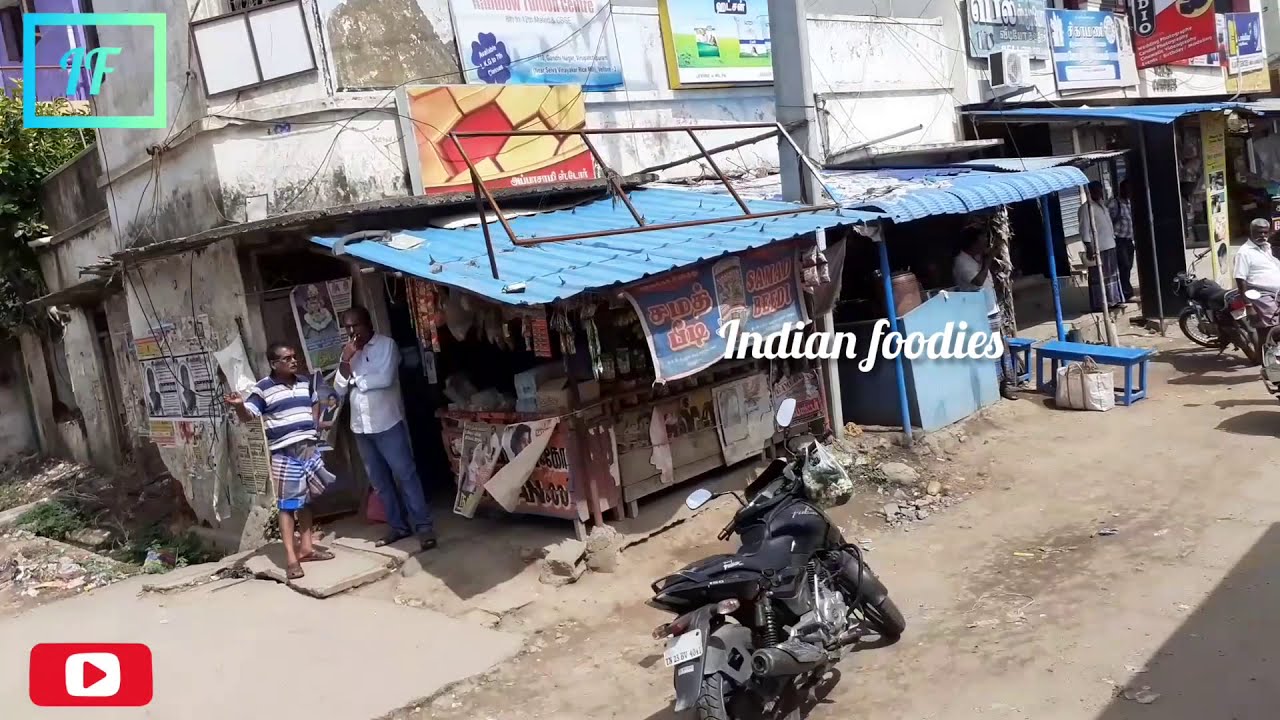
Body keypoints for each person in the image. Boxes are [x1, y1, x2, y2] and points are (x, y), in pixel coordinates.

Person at [225, 343, 335, 580]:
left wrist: (313, 425)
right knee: (287, 506)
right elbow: (249, 416)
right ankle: (291, 559)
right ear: (274, 364)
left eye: (294, 357)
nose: (294, 361)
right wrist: (238, 407)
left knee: (305, 500)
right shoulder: (263, 389)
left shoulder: (305, 382)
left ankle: (306, 547)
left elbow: (315, 401)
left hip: (308, 448)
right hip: (285, 453)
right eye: (287, 359)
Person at [334, 306, 437, 551]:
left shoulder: (386, 345)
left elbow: (385, 379)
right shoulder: (348, 353)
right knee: (380, 481)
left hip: (387, 422)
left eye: (355, 325)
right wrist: (346, 360)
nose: (351, 332)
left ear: (367, 323)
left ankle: (424, 527)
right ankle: (399, 527)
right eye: (347, 327)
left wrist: (356, 382)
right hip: (360, 427)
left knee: (406, 475)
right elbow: (338, 388)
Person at [953, 232, 1017, 401]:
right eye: (981, 242)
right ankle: (1000, 386)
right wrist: (988, 261)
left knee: (1002, 347)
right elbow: (978, 282)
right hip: (980, 312)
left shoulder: (976, 258)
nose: (984, 246)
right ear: (971, 245)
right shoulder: (962, 262)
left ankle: (1008, 383)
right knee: (994, 350)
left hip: (991, 308)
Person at [1079, 181, 1125, 312]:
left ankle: (1113, 300)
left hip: (1110, 244)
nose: (1099, 193)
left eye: (1100, 190)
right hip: (1098, 248)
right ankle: (1100, 304)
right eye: (1096, 190)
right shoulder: (1086, 208)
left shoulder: (1102, 206)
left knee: (1112, 275)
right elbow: (1084, 229)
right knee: (1099, 277)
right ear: (1090, 191)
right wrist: (1089, 247)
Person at [1234, 218, 1280, 328]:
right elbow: (1240, 279)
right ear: (1251, 232)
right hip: (1261, 295)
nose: (1263, 235)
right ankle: (1265, 344)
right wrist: (1248, 305)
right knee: (1272, 326)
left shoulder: (1267, 247)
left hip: (1276, 292)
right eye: (1259, 232)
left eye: (1265, 232)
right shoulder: (1244, 253)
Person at [1109, 179, 1136, 302]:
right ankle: (1126, 293)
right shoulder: (1115, 203)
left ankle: (1124, 290)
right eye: (1127, 189)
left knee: (1129, 266)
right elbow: (1108, 221)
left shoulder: (1130, 203)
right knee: (1124, 266)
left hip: (1129, 240)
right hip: (1119, 240)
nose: (1129, 192)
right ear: (1121, 190)